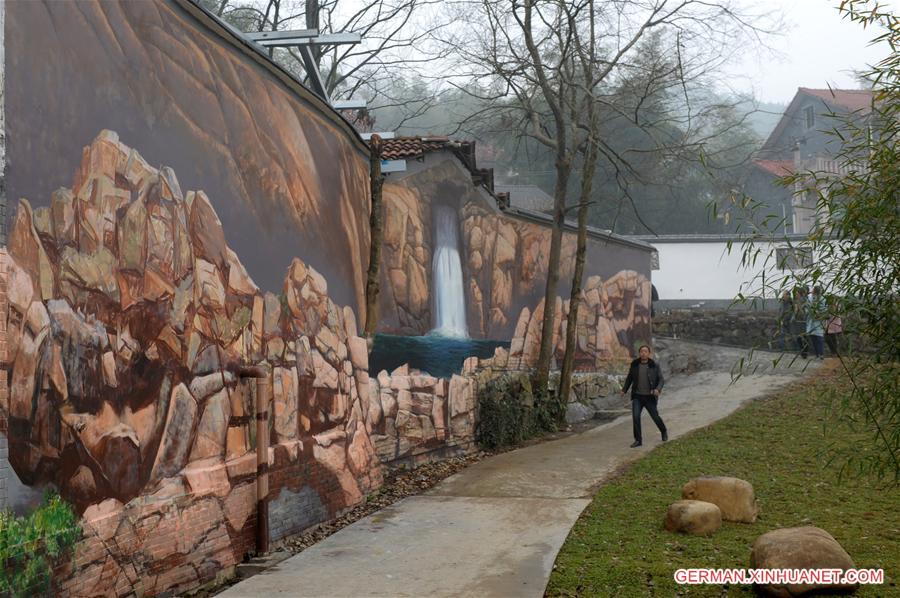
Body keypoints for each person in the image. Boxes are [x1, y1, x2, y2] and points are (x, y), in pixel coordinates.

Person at [621, 344, 667, 448]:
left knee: (655, 417)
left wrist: (657, 389)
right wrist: (624, 389)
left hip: (649, 397)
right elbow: (629, 378)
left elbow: (661, 379)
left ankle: (663, 431)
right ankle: (638, 440)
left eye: (645, 351)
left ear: (649, 353)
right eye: (641, 351)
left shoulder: (654, 365)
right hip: (637, 396)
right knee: (636, 417)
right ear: (639, 353)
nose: (643, 353)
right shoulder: (635, 364)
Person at [806, 286, 826, 359]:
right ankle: (817, 354)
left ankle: (821, 354)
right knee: (813, 338)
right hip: (811, 320)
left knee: (819, 338)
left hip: (819, 320)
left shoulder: (822, 299)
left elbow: (824, 309)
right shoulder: (810, 298)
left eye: (814, 290)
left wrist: (820, 314)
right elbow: (807, 307)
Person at [792, 286, 809, 358]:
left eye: (797, 293)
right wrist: (793, 316)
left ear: (800, 294)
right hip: (798, 321)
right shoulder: (796, 301)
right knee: (799, 338)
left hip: (804, 321)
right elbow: (795, 312)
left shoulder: (805, 301)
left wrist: (799, 307)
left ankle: (805, 352)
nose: (796, 295)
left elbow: (805, 312)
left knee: (804, 338)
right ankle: (803, 352)